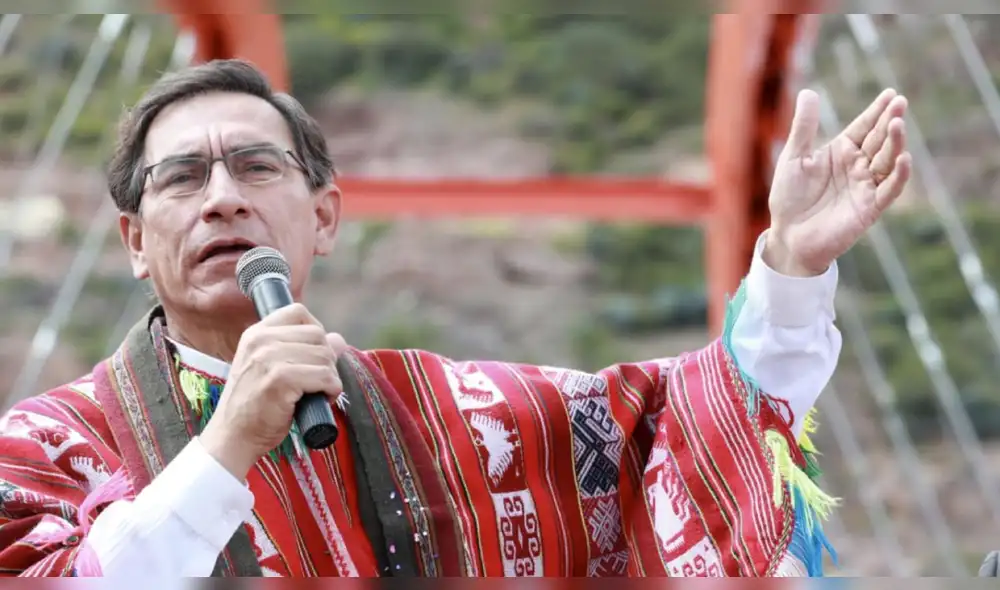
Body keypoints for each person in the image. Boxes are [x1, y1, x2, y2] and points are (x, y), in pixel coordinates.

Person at [0, 59, 911, 578]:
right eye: (183, 179)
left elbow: (674, 427)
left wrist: (792, 261)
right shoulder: (41, 449)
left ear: (323, 218)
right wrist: (228, 442)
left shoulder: (458, 410)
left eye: (258, 168)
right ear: (131, 236)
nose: (223, 199)